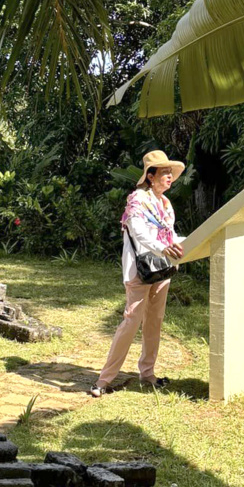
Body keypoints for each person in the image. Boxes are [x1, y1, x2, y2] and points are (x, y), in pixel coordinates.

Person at [90, 150, 185, 398]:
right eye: (164, 173)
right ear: (150, 176)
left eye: (171, 174)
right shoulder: (137, 199)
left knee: (155, 321)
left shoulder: (166, 204)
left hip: (163, 269)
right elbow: (139, 232)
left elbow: (170, 234)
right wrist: (163, 246)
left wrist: (185, 245)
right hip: (140, 269)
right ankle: (104, 379)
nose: (169, 178)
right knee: (131, 321)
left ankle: (147, 373)